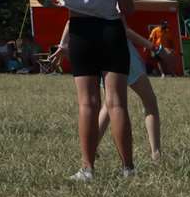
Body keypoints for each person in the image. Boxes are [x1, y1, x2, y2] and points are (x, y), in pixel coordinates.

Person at [20, 0, 135, 181]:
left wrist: (44, 0)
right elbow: (127, 8)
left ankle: (87, 169)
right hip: (111, 32)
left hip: (81, 32)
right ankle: (128, 168)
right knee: (117, 103)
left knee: (87, 104)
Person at [57, 19, 163, 162]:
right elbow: (124, 30)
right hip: (120, 51)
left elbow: (71, 21)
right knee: (149, 101)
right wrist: (153, 47)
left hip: (97, 51)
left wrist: (63, 43)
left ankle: (91, 150)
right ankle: (155, 153)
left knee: (109, 105)